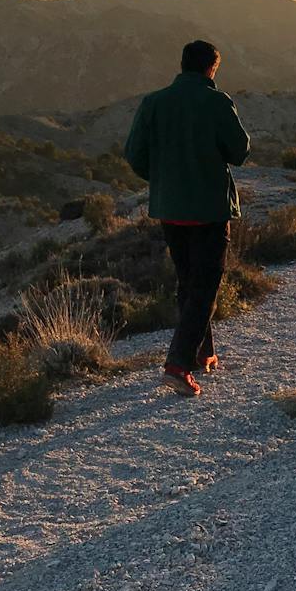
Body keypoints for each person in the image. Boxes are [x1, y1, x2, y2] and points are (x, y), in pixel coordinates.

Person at [125, 40, 251, 397]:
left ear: (182, 66)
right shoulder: (217, 102)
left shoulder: (154, 103)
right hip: (209, 210)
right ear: (212, 68)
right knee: (206, 288)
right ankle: (178, 365)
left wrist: (165, 180)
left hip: (171, 209)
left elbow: (134, 154)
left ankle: (201, 352)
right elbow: (239, 152)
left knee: (188, 283)